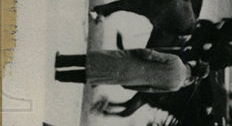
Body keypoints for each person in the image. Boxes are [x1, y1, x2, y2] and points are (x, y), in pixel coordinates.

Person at [54, 48, 208, 91]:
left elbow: (150, 54)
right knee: (95, 77)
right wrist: (130, 85)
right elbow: (148, 90)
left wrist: (136, 51)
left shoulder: (176, 61)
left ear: (194, 64)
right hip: (130, 78)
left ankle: (61, 60)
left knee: (95, 60)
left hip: (131, 61)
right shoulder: (176, 86)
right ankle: (61, 76)